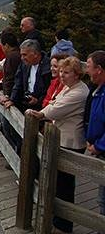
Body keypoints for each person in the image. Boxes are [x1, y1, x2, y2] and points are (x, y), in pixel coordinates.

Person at [26, 57, 89, 233]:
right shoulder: (70, 88)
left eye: (66, 72)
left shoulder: (79, 92)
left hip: (70, 142)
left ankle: (63, 225)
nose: (62, 75)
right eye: (61, 71)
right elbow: (54, 102)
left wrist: (39, 114)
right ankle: (58, 220)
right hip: (61, 139)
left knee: (64, 186)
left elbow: (56, 109)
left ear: (77, 74)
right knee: (59, 184)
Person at [2, 39, 51, 152]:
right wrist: (12, 99)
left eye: (24, 54)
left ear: (35, 54)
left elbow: (50, 90)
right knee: (9, 126)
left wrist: (38, 101)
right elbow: (18, 82)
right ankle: (18, 155)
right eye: (21, 55)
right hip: (25, 103)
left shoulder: (47, 67)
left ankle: (27, 162)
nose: (22, 57)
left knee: (34, 139)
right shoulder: (25, 65)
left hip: (40, 108)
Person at [85, 50, 105, 216]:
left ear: (99, 69)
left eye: (89, 67)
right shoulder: (99, 90)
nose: (87, 71)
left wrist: (99, 146)